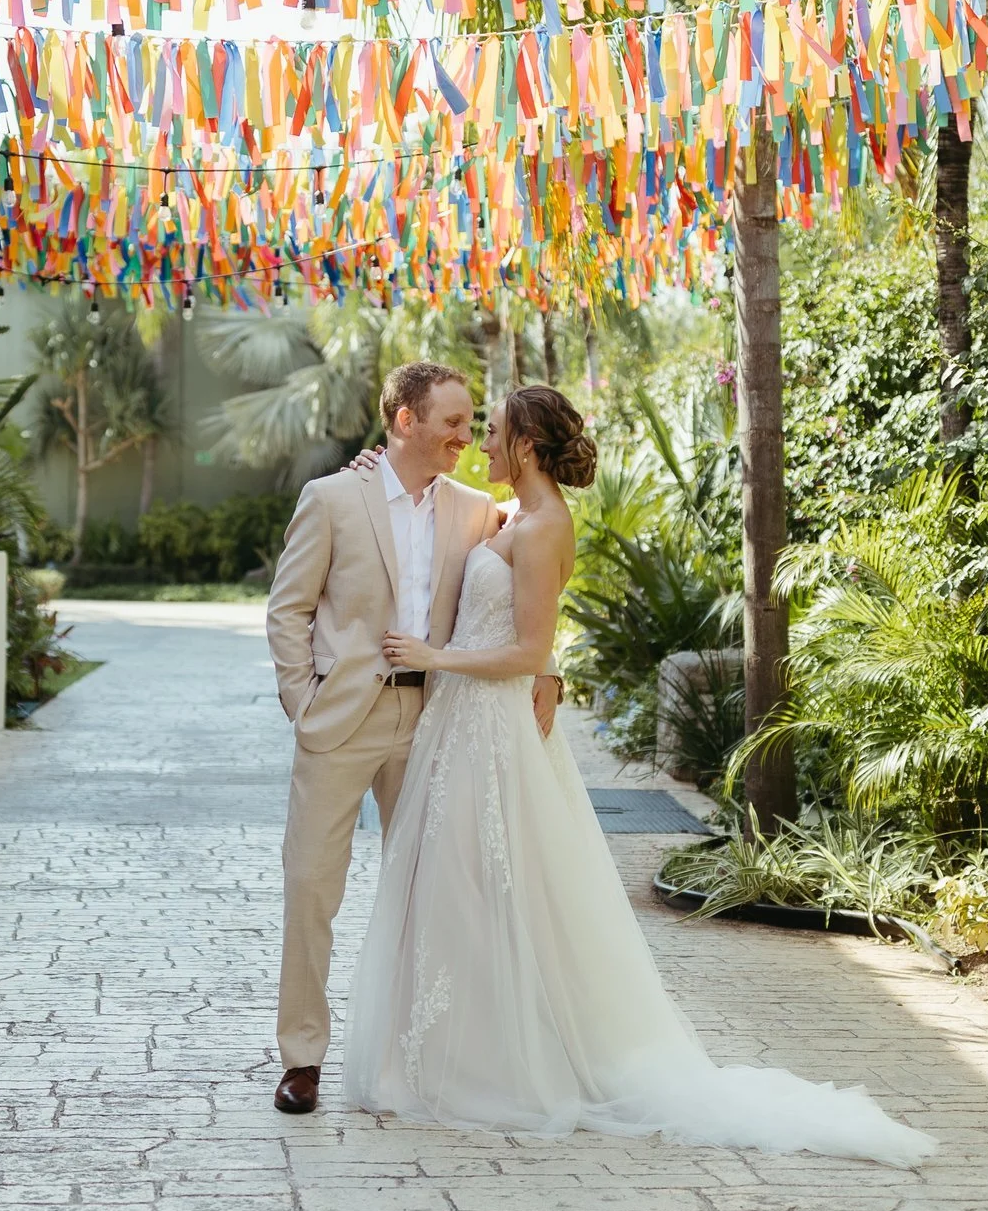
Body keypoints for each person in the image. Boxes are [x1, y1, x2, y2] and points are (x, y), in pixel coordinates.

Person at [339, 385, 935, 1165]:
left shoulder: (546, 528)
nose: (479, 443)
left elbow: (525, 652)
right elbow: (431, 504)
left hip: (494, 735)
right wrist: (371, 467)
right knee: (456, 892)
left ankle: (500, 1064)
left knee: (494, 889)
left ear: (523, 445)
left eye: (489, 432)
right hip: (462, 731)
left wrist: (434, 658)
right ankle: (445, 1049)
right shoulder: (507, 517)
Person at [263, 362, 562, 1117]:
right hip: (340, 722)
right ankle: (303, 1058)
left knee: (426, 892)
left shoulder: (475, 509)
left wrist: (548, 667)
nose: (467, 436)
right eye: (454, 423)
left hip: (431, 723)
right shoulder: (332, 497)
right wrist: (305, 702)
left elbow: (534, 579)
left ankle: (409, 1051)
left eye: (473, 424)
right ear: (406, 423)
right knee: (311, 888)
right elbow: (286, 610)